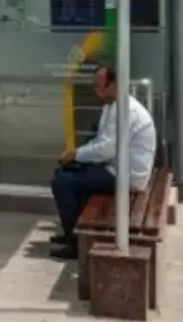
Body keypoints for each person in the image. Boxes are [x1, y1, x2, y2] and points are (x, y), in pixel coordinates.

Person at [49, 63, 157, 260]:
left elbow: (106, 149)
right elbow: (102, 143)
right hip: (116, 167)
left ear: (114, 85)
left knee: (63, 182)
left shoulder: (126, 110)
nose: (96, 90)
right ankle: (72, 233)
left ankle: (75, 244)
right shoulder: (113, 106)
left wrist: (76, 154)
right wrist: (78, 156)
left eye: (100, 85)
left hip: (127, 175)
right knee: (64, 173)